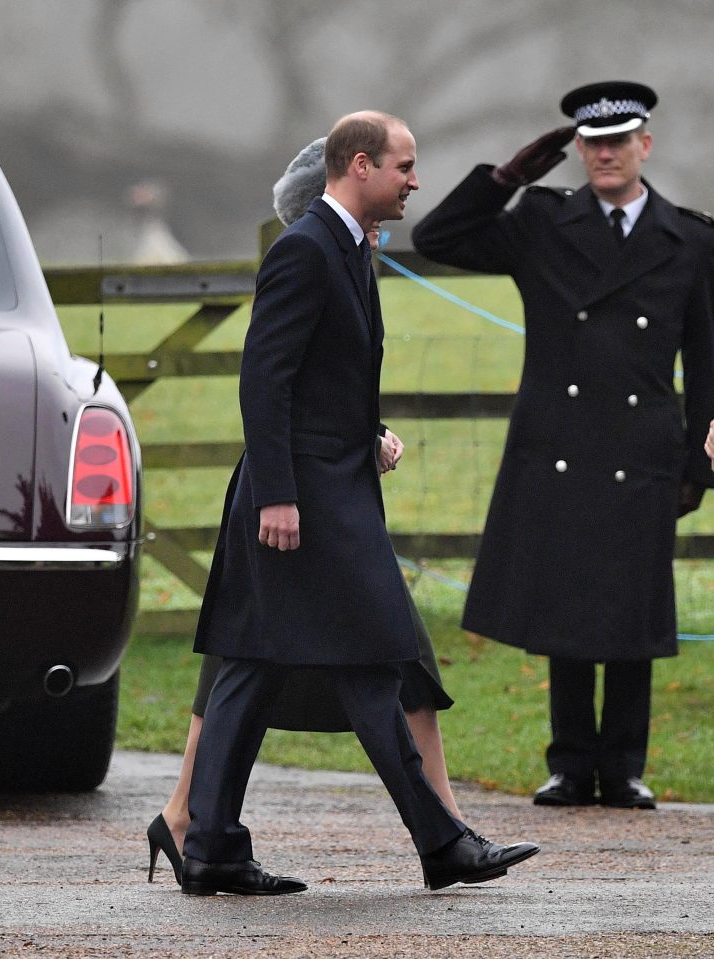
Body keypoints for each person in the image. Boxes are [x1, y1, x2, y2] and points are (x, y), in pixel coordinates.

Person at [178, 110, 538, 896]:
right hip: (302, 503)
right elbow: (263, 379)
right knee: (376, 656)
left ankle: (207, 845)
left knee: (251, 663)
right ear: (361, 165)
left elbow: (321, 371)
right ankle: (440, 841)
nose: (416, 181)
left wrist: (366, 430)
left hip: (328, 487)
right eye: (406, 166)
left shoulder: (347, 247)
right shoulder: (306, 250)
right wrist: (276, 494)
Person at [412, 82, 714, 810]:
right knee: (570, 604)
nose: (604, 153)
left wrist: (699, 458)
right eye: (591, 142)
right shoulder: (541, 220)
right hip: (560, 440)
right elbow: (435, 238)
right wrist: (505, 180)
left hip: (644, 442)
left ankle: (626, 765)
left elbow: (707, 354)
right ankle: (569, 763)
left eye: (618, 140)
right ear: (575, 149)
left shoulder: (691, 237)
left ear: (645, 144)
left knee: (635, 606)